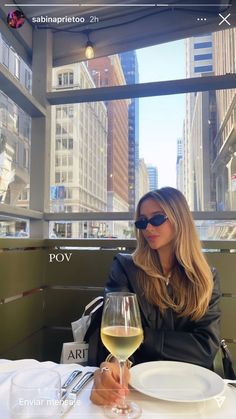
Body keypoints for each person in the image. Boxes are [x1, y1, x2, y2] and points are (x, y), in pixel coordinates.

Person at [89, 187, 221, 406]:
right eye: (142, 222)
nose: (147, 228)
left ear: (180, 220)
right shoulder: (125, 267)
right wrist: (109, 366)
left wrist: (140, 336)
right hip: (135, 389)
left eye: (157, 218)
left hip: (191, 389)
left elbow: (205, 348)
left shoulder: (207, 277)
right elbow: (113, 333)